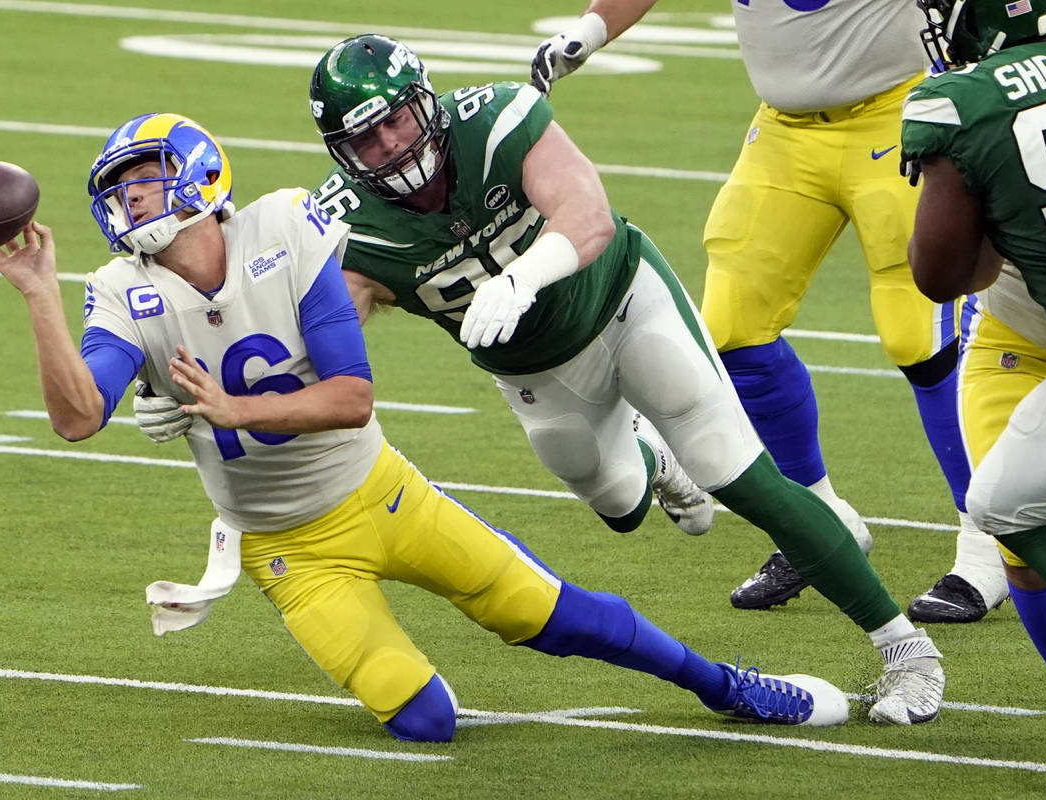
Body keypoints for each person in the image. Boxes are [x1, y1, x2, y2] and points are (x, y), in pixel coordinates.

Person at [0, 111, 853, 741]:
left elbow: (350, 397)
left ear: (202, 178)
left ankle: (727, 686)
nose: (129, 200)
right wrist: (39, 296)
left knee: (548, 614)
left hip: (379, 490)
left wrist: (234, 409)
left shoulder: (284, 227)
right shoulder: (119, 292)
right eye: (120, 189)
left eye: (144, 180)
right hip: (289, 553)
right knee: (428, 722)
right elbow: (78, 417)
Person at [237, 33, 944, 724]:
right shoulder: (345, 229)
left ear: (427, 101)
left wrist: (524, 276)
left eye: (397, 118)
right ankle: (653, 457)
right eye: (366, 138)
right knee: (619, 506)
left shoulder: (496, 120)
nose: (391, 144)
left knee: (739, 475)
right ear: (341, 153)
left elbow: (588, 215)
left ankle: (906, 649)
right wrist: (222, 396)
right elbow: (318, 346)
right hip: (535, 371)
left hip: (623, 300)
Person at [530, 0, 1009, 623]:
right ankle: (818, 520)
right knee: (732, 329)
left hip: (899, 112)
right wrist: (590, 30)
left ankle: (988, 542)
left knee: (921, 338)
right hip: (784, 133)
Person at [901, 0, 1046, 666]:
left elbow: (942, 277)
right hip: (1017, 333)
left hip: (1017, 329)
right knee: (1013, 519)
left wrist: (966, 176)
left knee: (1006, 508)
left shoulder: (964, 104)